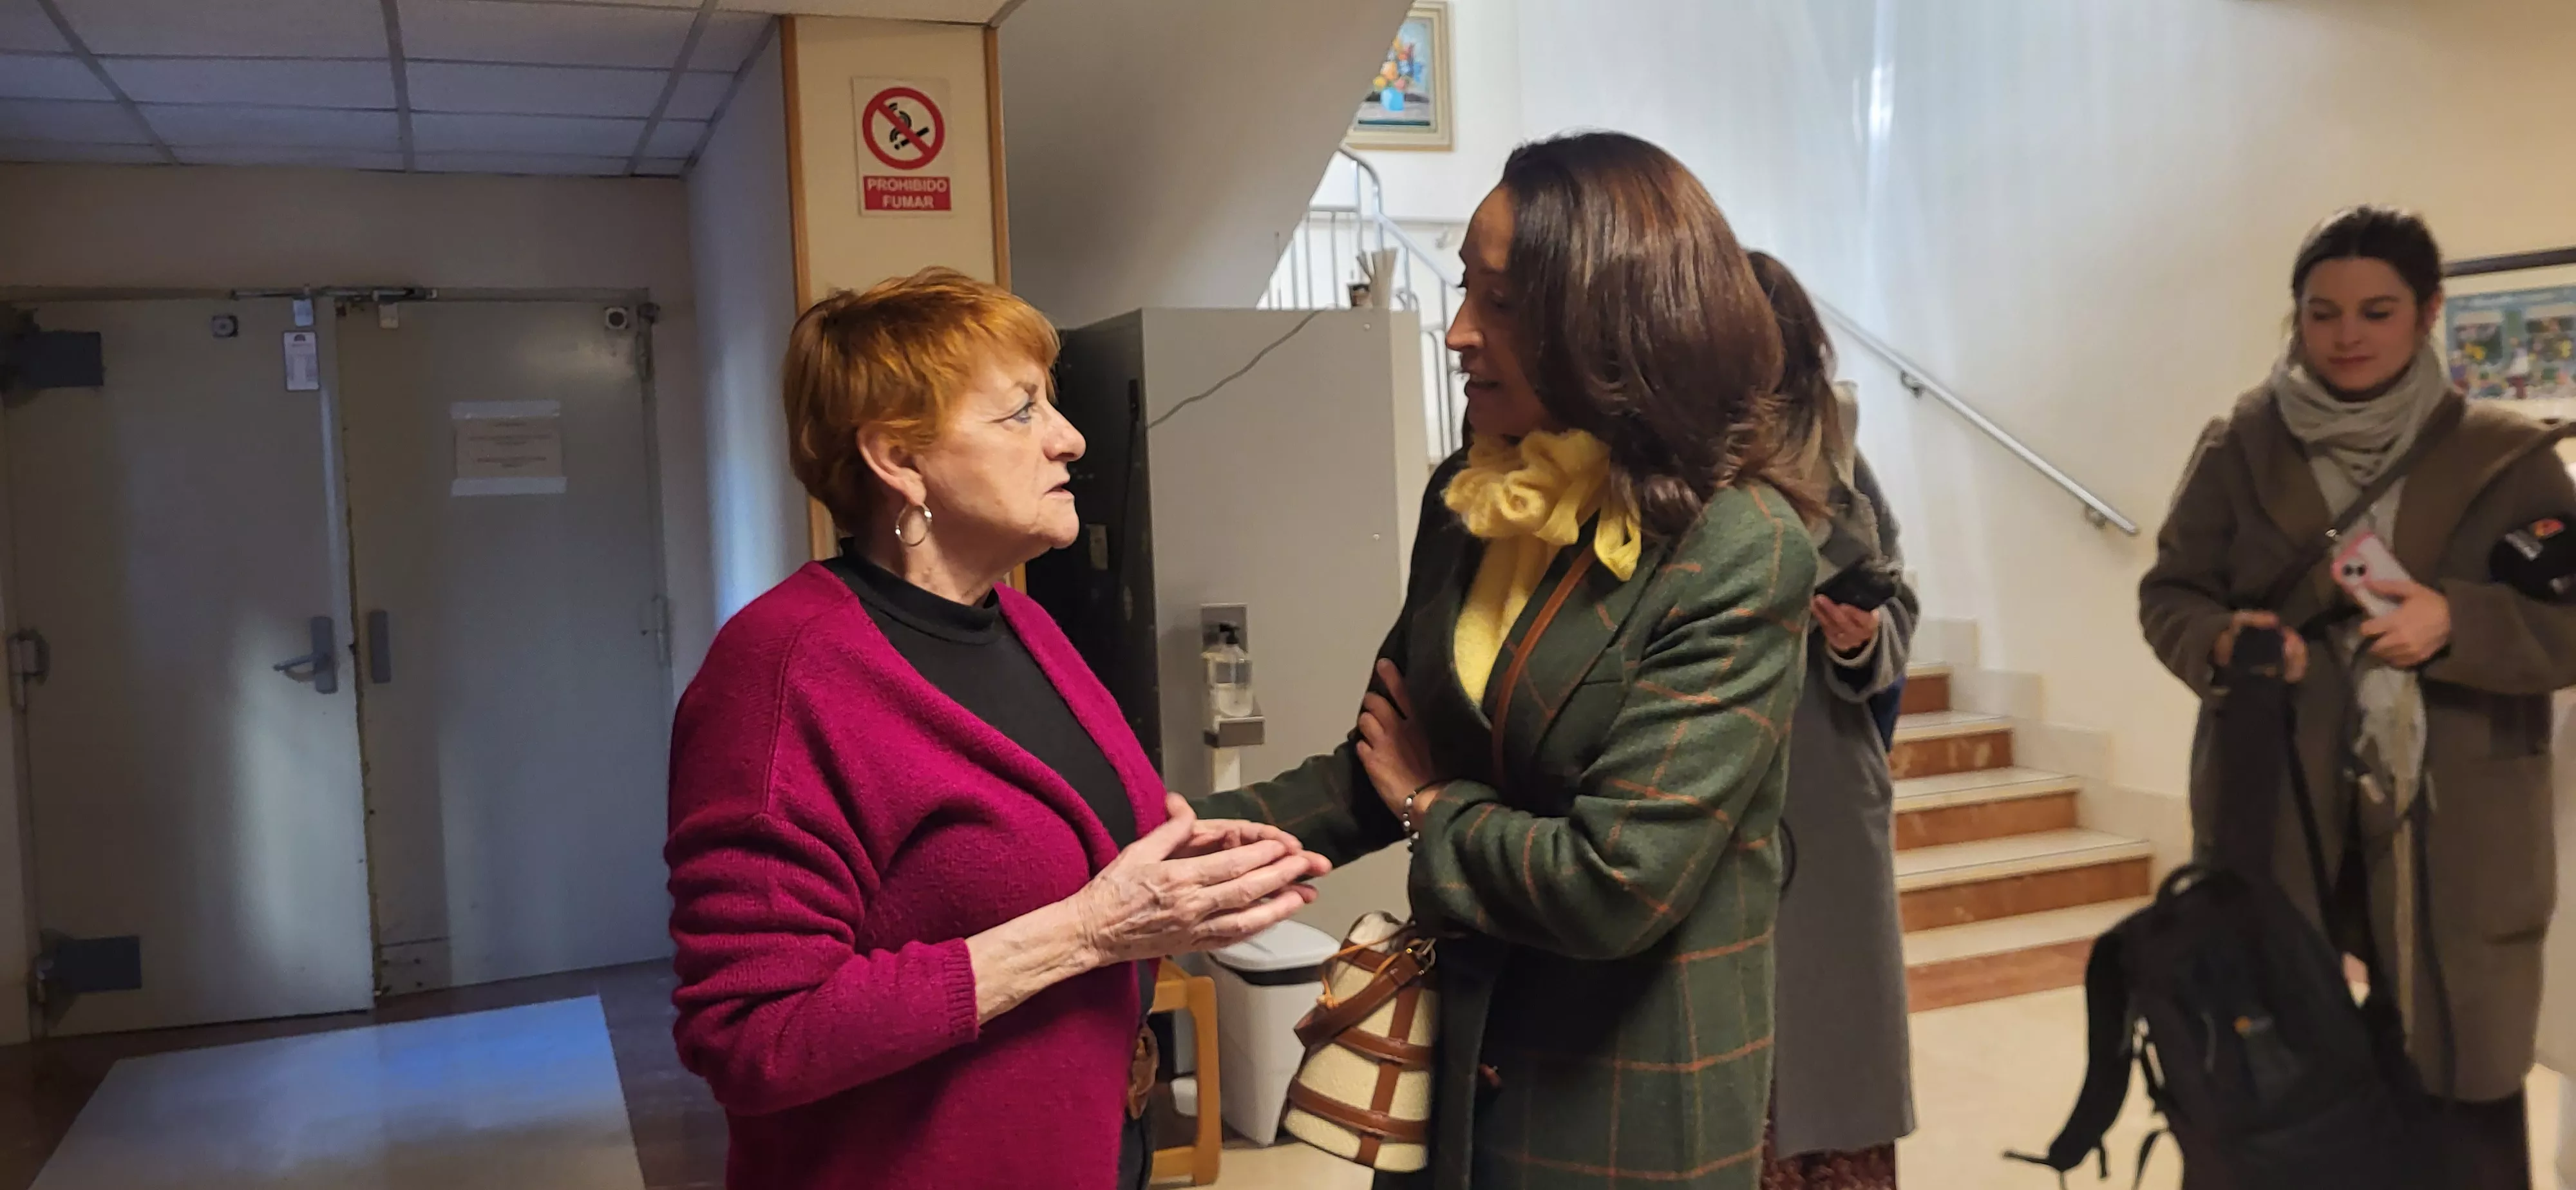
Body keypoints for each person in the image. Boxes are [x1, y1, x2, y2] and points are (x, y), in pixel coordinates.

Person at [1195, 131, 1815, 1190]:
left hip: (1622, 1098)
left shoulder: (1737, 549)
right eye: (1464, 290)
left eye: (1504, 302)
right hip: (1452, 1061)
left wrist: (1432, 808)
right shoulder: (1475, 498)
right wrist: (1189, 848)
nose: (1458, 332)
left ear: (1617, 323)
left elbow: (1615, 883)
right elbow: (1376, 758)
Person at [665, 268, 1331, 1190]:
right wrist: (1087, 932)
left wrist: (1184, 876)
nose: (1069, 440)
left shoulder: (1023, 623)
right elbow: (753, 1035)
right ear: (898, 459)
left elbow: (1045, 861)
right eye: (1021, 413)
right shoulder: (783, 673)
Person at [2140, 205, 2576, 1189]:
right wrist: (2223, 638)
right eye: (2321, 313)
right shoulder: (2240, 447)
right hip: (2279, 795)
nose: (2346, 336)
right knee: (2275, 1058)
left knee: (2456, 1070)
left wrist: (2456, 620)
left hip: (2459, 811)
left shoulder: (2508, 459)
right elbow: (2172, 593)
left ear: (2427, 314)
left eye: (2376, 311)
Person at [1746, 251, 1918, 1189]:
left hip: (1823, 776)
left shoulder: (1838, 456)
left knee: (1831, 1075)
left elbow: (1899, 605)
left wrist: (1859, 639)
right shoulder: (1654, 465)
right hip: (1708, 787)